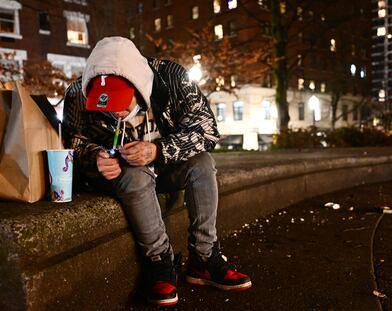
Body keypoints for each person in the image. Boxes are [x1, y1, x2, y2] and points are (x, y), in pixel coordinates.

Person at [62, 37, 251, 306]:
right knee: (135, 174)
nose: (114, 111)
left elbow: (207, 131)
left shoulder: (172, 79)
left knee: (202, 163)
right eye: (105, 104)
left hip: (167, 166)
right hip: (124, 175)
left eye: (121, 101)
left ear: (139, 86)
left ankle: (204, 257)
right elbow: (75, 142)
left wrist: (157, 150)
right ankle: (160, 263)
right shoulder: (77, 94)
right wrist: (95, 157)